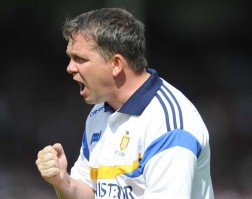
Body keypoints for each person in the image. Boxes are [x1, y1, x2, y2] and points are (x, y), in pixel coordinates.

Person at [35, 8, 214, 199]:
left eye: (80, 59)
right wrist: (63, 182)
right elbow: (90, 192)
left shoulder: (169, 124)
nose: (70, 68)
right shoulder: (99, 112)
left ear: (116, 64)